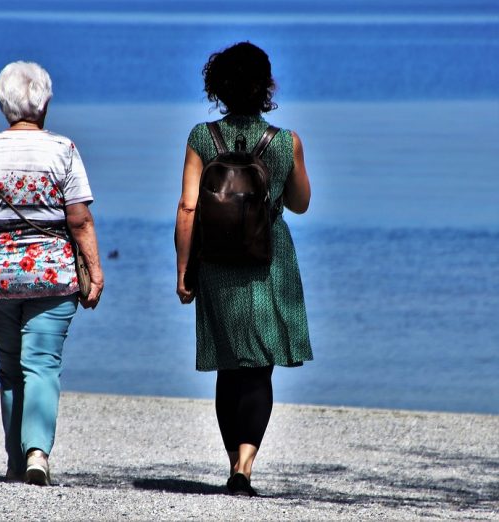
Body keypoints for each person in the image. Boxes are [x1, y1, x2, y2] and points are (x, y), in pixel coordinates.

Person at [0, 61, 104, 485]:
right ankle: (37, 453)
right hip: (53, 275)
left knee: (10, 368)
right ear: (45, 103)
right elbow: (80, 220)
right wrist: (95, 269)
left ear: (3, 105)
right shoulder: (64, 150)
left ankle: (16, 464)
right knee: (43, 365)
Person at [174, 42, 313, 497]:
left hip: (214, 261)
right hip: (268, 259)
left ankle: (232, 459)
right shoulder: (284, 141)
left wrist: (183, 270)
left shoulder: (201, 137)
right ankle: (245, 466)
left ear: (218, 88)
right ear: (266, 86)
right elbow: (301, 204)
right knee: (260, 367)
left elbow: (188, 208)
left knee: (228, 366)